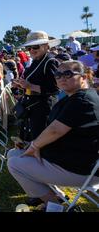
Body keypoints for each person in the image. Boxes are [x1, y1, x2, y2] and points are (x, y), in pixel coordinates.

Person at [8, 61, 99, 209]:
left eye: (68, 74)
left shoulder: (82, 100)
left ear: (83, 77)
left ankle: (55, 207)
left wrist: (35, 145)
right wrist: (32, 145)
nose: (62, 78)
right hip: (75, 159)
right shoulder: (80, 97)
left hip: (82, 168)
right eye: (58, 74)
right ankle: (54, 195)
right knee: (14, 153)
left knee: (15, 164)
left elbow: (55, 130)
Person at [13, 31, 60, 141]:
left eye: (35, 46)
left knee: (40, 137)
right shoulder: (36, 60)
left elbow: (54, 89)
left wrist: (30, 85)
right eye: (29, 48)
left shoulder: (50, 62)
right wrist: (22, 85)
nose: (32, 50)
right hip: (32, 105)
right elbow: (33, 84)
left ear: (46, 46)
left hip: (43, 108)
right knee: (31, 135)